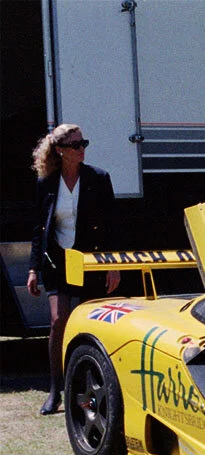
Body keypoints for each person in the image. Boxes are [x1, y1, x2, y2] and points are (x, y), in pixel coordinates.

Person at [27, 124, 120, 415]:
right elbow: (39, 228)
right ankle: (56, 391)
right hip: (58, 260)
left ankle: (93, 387)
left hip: (90, 260)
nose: (82, 149)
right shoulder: (46, 182)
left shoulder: (98, 178)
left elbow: (111, 226)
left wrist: (112, 265)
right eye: (75, 145)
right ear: (60, 150)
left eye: (84, 144)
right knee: (58, 322)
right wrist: (33, 269)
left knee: (92, 323)